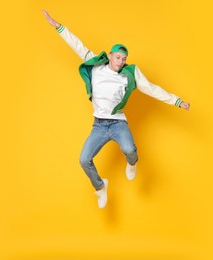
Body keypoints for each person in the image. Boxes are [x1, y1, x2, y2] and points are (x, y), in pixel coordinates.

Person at [42, 10, 190, 208]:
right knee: (84, 160)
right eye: (118, 57)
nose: (121, 61)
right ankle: (100, 187)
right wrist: (58, 26)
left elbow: (152, 88)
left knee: (130, 150)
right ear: (110, 55)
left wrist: (177, 101)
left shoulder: (129, 74)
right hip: (99, 125)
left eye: (124, 58)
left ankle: (132, 163)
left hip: (118, 122)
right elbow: (77, 45)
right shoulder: (96, 65)